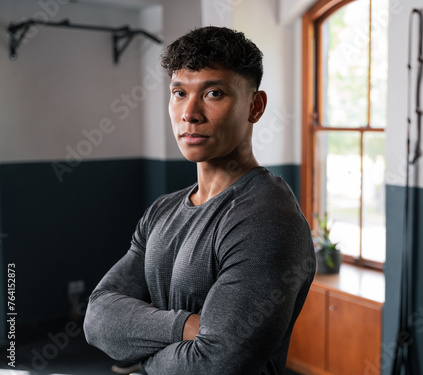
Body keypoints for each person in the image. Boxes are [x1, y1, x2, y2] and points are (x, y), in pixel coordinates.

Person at [84, 26, 315, 375]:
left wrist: (140, 362)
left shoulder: (267, 216)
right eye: (179, 92)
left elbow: (215, 364)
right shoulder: (162, 211)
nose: (189, 112)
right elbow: (98, 317)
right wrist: (188, 326)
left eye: (214, 93)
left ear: (255, 106)